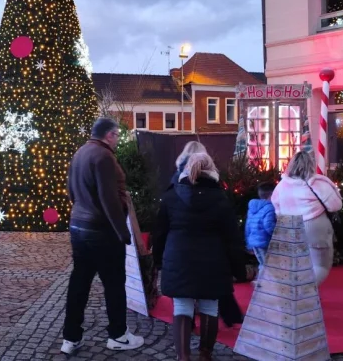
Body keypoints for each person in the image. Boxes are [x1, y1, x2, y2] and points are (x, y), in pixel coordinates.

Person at [61, 118, 144, 355]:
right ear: (109, 135)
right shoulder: (104, 157)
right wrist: (122, 232)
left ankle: (70, 338)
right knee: (114, 284)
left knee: (79, 282)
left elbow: (70, 191)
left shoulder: (80, 153)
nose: (118, 139)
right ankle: (118, 335)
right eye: (117, 135)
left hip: (78, 227)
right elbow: (109, 199)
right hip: (102, 231)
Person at [154, 153, 245, 361]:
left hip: (178, 258)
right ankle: (205, 355)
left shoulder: (171, 196)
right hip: (212, 261)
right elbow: (232, 238)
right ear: (212, 170)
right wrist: (238, 269)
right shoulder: (221, 198)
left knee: (182, 307)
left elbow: (159, 232)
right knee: (209, 307)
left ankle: (183, 357)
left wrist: (158, 261)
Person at [271, 151, 343, 286]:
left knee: (297, 263)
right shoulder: (317, 183)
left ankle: (293, 291)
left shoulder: (282, 185)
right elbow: (335, 205)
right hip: (314, 226)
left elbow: (277, 207)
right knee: (320, 265)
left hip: (289, 226)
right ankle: (304, 290)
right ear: (311, 164)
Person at [245, 182, 277, 275]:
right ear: (272, 195)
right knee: (268, 265)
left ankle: (261, 282)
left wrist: (248, 243)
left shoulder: (252, 209)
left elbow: (248, 226)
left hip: (254, 242)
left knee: (263, 263)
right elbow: (268, 225)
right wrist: (277, 234)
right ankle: (262, 283)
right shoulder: (270, 207)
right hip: (264, 242)